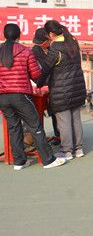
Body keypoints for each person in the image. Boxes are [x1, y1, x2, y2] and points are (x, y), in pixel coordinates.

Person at [0, 23, 66, 170]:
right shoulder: (25, 51)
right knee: (35, 126)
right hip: (21, 95)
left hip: (2, 97)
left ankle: (19, 162)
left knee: (13, 128)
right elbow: (36, 74)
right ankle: (48, 160)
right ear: (19, 36)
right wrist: (40, 83)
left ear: (4, 35)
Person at [41, 20, 87, 160]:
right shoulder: (72, 41)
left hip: (61, 89)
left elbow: (46, 68)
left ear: (51, 34)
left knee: (64, 121)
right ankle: (79, 149)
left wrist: (38, 83)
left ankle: (67, 151)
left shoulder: (55, 47)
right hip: (77, 86)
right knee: (76, 119)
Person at [31, 28, 60, 145]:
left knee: (57, 112)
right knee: (43, 112)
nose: (40, 45)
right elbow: (34, 72)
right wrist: (41, 84)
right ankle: (39, 139)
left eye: (42, 43)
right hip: (43, 85)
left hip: (58, 83)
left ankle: (60, 136)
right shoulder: (34, 51)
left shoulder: (56, 48)